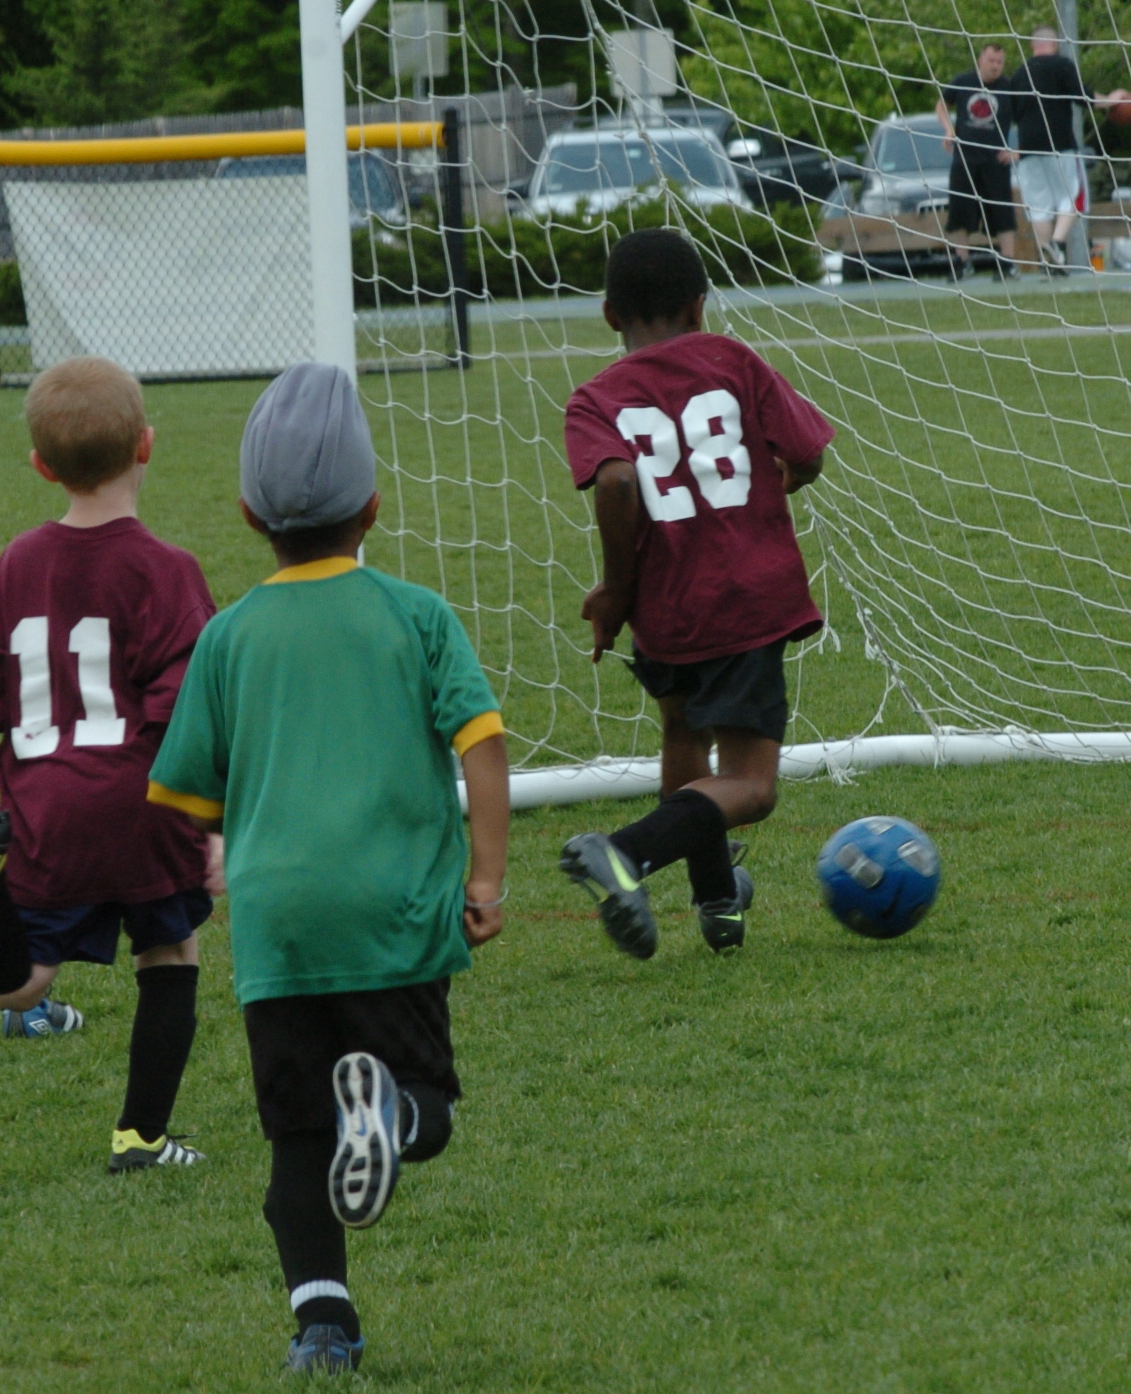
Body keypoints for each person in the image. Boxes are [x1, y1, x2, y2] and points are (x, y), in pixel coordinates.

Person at [146, 363, 509, 1376]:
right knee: (426, 1105)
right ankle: (390, 1113)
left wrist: (223, 850)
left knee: (298, 1141)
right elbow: (482, 744)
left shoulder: (227, 637)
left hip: (281, 926)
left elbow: (183, 796)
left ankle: (323, 1329)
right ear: (374, 506)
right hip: (393, 912)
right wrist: (485, 879)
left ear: (247, 514)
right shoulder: (416, 615)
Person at [0, 358, 222, 1178]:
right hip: (146, 805)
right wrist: (213, 823)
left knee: (16, 988)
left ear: (40, 466)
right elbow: (190, 711)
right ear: (146, 445)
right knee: (172, 954)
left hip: (44, 809)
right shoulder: (169, 569)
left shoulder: (17, 562)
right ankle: (141, 1139)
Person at [559, 228, 834, 960]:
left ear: (610, 315)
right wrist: (788, 476)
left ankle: (717, 899)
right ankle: (623, 853)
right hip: (746, 597)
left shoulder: (593, 399)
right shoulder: (731, 360)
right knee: (752, 785)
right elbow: (807, 452)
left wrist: (617, 590)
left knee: (685, 734)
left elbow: (617, 481)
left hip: (665, 604)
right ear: (700, 306)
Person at [1003, 25, 1131, 272]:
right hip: (1059, 145)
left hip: (1028, 149)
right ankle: (1057, 243)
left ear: (1032, 45)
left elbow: (1013, 114)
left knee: (1039, 207)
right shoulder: (1061, 65)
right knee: (1073, 198)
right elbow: (1084, 98)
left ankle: (1048, 261)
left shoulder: (1019, 74)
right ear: (1055, 44)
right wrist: (1111, 100)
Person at [937, 43, 1019, 272]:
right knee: (960, 212)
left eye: (999, 62)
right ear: (980, 60)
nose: (995, 66)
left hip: (996, 161)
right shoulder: (963, 81)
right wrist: (949, 129)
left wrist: (1017, 151)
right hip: (965, 159)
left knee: (1002, 213)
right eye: (991, 61)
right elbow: (942, 105)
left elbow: (1029, 118)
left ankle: (1008, 263)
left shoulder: (1009, 88)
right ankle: (962, 262)